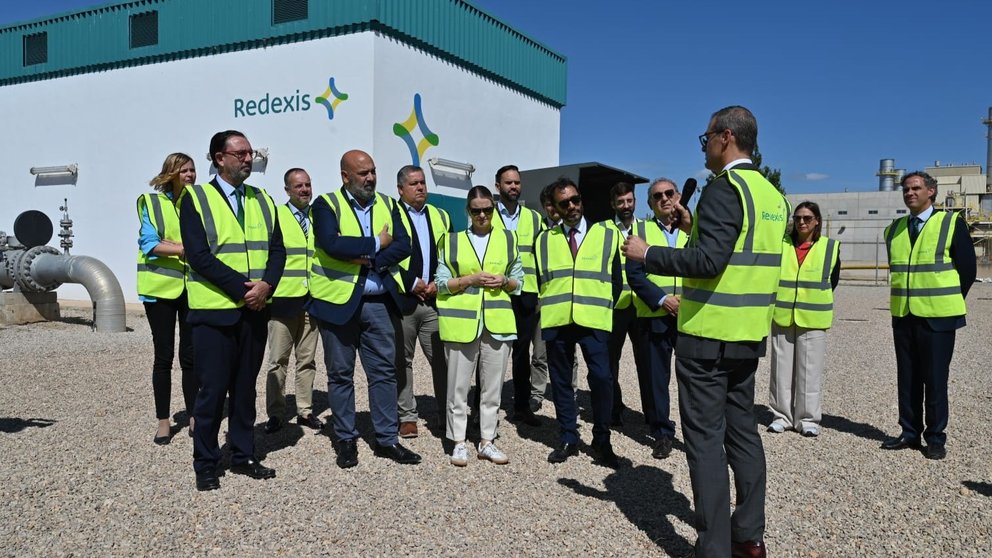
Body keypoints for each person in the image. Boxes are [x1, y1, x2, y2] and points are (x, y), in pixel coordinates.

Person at [624, 106, 787, 558]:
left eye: (706, 138)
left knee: (705, 444)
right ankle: (749, 537)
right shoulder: (772, 197)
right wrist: (695, 228)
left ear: (725, 137)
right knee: (744, 437)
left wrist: (647, 252)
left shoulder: (723, 188)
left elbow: (710, 264)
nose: (705, 147)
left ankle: (713, 547)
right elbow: (740, 255)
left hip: (707, 336)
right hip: (747, 335)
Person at [180, 130, 286, 491]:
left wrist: (266, 286)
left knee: (245, 390)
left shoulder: (263, 199)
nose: (248, 158)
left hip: (255, 311)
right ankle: (206, 463)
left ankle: (243, 455)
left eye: (250, 152)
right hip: (215, 313)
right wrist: (246, 291)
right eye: (239, 153)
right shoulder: (196, 198)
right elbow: (199, 256)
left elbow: (277, 251)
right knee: (211, 392)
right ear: (218, 158)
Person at [307, 149, 419, 469]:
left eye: (372, 171)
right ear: (346, 176)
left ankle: (386, 439)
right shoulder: (326, 204)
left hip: (379, 303)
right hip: (337, 304)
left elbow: (402, 244)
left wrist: (368, 257)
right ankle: (345, 439)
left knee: (384, 372)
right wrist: (374, 243)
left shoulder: (388, 203)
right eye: (362, 173)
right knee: (341, 374)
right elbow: (331, 243)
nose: (370, 178)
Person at [880, 171, 976, 460]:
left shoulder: (950, 224)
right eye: (906, 189)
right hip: (904, 314)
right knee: (907, 377)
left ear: (931, 191)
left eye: (916, 188)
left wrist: (945, 302)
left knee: (935, 379)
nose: (910, 193)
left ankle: (935, 437)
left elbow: (967, 271)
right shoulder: (894, 229)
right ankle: (910, 432)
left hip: (938, 317)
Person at [536, 177, 623, 468]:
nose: (572, 206)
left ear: (581, 201)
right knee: (561, 381)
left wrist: (600, 304)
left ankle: (602, 439)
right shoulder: (544, 240)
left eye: (575, 200)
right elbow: (540, 279)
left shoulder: (607, 235)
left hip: (593, 318)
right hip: (558, 319)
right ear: (555, 208)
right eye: (564, 203)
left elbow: (617, 281)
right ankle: (568, 437)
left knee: (601, 378)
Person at [435, 186, 523, 466]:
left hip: (498, 323)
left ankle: (487, 440)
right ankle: (459, 442)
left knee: (492, 388)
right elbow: (440, 284)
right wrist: (468, 281)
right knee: (458, 388)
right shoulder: (450, 241)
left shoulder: (509, 239)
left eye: (487, 209)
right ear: (467, 212)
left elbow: (519, 281)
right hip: (462, 325)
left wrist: (505, 282)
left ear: (494, 209)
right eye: (476, 210)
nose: (482, 215)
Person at [625, 178, 690, 459]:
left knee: (693, 379)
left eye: (669, 193)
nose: (664, 199)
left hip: (690, 316)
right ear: (651, 203)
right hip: (655, 314)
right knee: (656, 378)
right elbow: (634, 275)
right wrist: (663, 300)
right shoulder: (640, 230)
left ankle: (697, 433)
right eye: (657, 196)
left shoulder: (694, 230)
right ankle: (662, 431)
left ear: (677, 196)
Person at [137, 152, 198, 445]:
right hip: (159, 290)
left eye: (192, 170)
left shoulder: (198, 202)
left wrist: (171, 244)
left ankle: (195, 416)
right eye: (184, 170)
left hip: (191, 289)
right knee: (163, 357)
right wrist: (184, 248)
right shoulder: (151, 203)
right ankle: (163, 421)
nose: (190, 175)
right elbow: (150, 244)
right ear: (171, 174)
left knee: (191, 356)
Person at [768, 201, 840, 438]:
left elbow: (833, 279)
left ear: (817, 220)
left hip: (813, 317)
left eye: (807, 218)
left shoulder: (830, 247)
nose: (801, 222)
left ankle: (807, 418)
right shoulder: (782, 246)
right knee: (781, 369)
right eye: (798, 218)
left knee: (810, 370)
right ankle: (781, 416)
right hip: (782, 315)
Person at [394, 165, 452, 438]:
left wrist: (436, 284)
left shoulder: (440, 216)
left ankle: (446, 413)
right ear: (401, 189)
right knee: (401, 361)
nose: (420, 188)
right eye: (414, 183)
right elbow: (385, 258)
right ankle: (407, 416)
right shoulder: (390, 215)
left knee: (441, 359)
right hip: (403, 300)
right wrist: (410, 282)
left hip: (432, 301)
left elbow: (449, 257)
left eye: (423, 182)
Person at [263, 168, 322, 434]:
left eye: (308, 185)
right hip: (283, 300)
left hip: (312, 300)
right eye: (298, 186)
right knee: (278, 361)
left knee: (307, 360)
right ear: (287, 190)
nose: (304, 190)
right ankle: (275, 413)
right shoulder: (277, 215)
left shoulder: (319, 217)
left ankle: (305, 410)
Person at [491, 165, 546, 425]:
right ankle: (485, 408)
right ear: (497, 186)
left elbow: (542, 255)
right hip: (496, 291)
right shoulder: (487, 215)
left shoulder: (534, 218)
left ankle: (522, 406)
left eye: (516, 183)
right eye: (508, 183)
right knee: (491, 349)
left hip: (526, 292)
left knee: (522, 352)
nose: (513, 187)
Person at [602, 181, 638, 426]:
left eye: (629, 200)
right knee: (609, 361)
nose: (626, 206)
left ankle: (653, 416)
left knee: (646, 364)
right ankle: (613, 406)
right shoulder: (602, 230)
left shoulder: (646, 228)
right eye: (621, 202)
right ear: (613, 204)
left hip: (642, 305)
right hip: (614, 307)